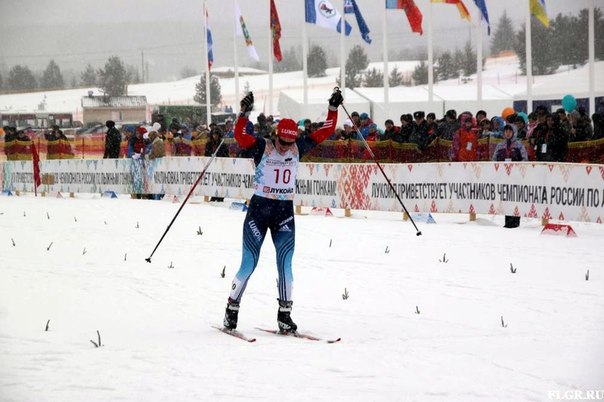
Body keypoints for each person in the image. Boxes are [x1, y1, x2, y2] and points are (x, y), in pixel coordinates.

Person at [223, 89, 343, 333]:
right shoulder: (262, 146)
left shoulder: (299, 146)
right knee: (249, 264)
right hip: (259, 210)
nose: (287, 148)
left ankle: (284, 315)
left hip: (284, 212)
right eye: (283, 143)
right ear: (276, 136)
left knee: (286, 264)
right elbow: (241, 137)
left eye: (290, 143)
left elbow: (327, 130)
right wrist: (243, 114)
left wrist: (333, 108)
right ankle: (231, 310)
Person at [492, 125, 528, 228]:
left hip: (516, 178)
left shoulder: (519, 145)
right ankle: (507, 222)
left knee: (515, 199)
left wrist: (516, 169)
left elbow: (525, 160)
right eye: (506, 131)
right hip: (504, 178)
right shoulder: (500, 145)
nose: (507, 133)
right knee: (506, 199)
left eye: (509, 131)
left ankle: (515, 223)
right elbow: (494, 160)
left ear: (514, 132)